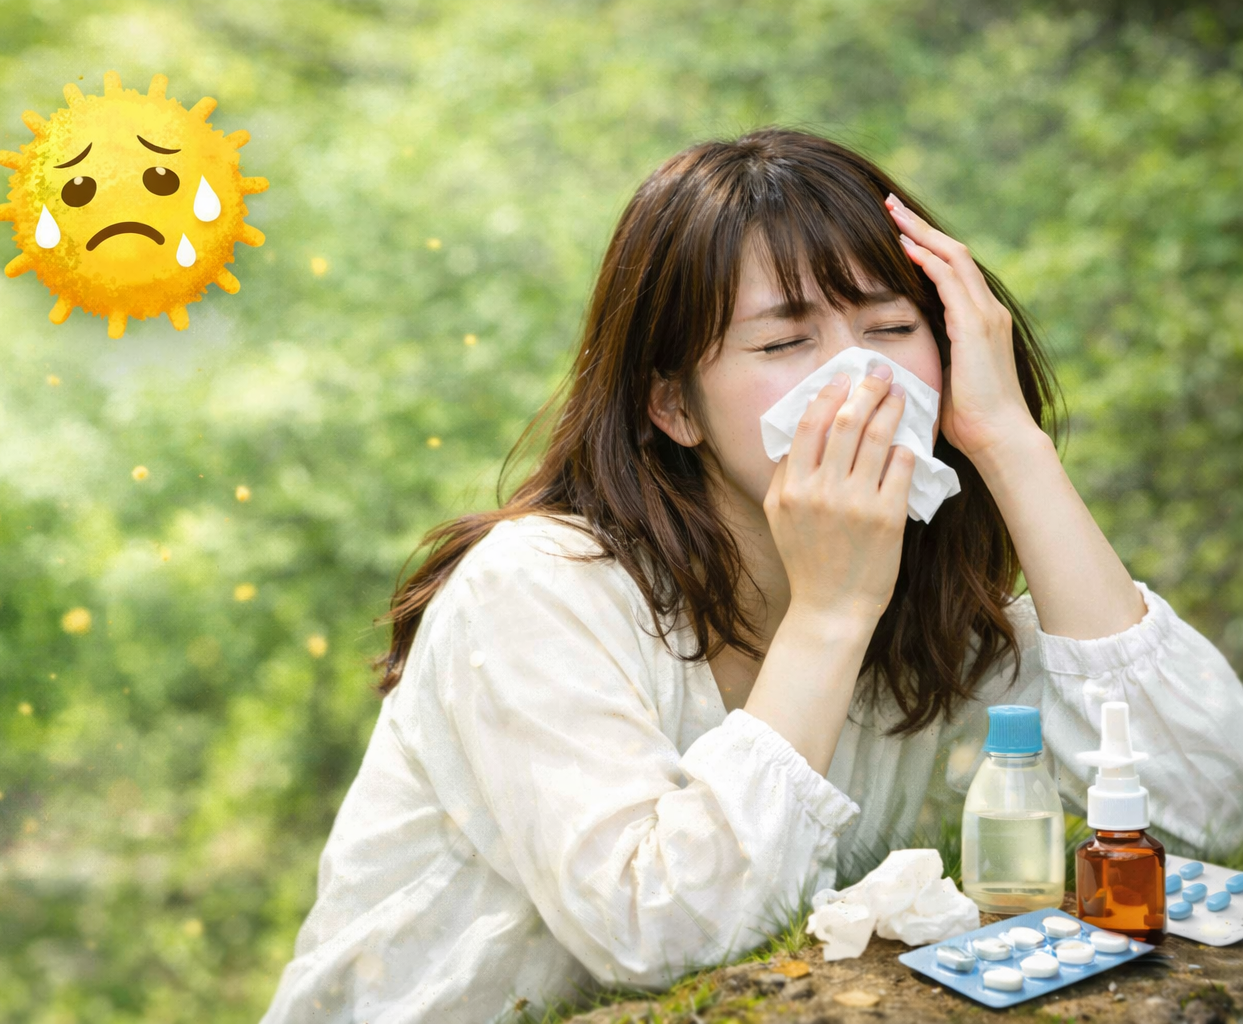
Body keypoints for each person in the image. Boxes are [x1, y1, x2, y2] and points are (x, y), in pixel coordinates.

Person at [259, 128, 1243, 1023]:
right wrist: (830, 614)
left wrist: (1009, 441)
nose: (860, 381)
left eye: (892, 328)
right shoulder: (534, 590)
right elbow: (661, 934)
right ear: (674, 407)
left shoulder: (922, 605)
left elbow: (1206, 805)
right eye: (783, 343)